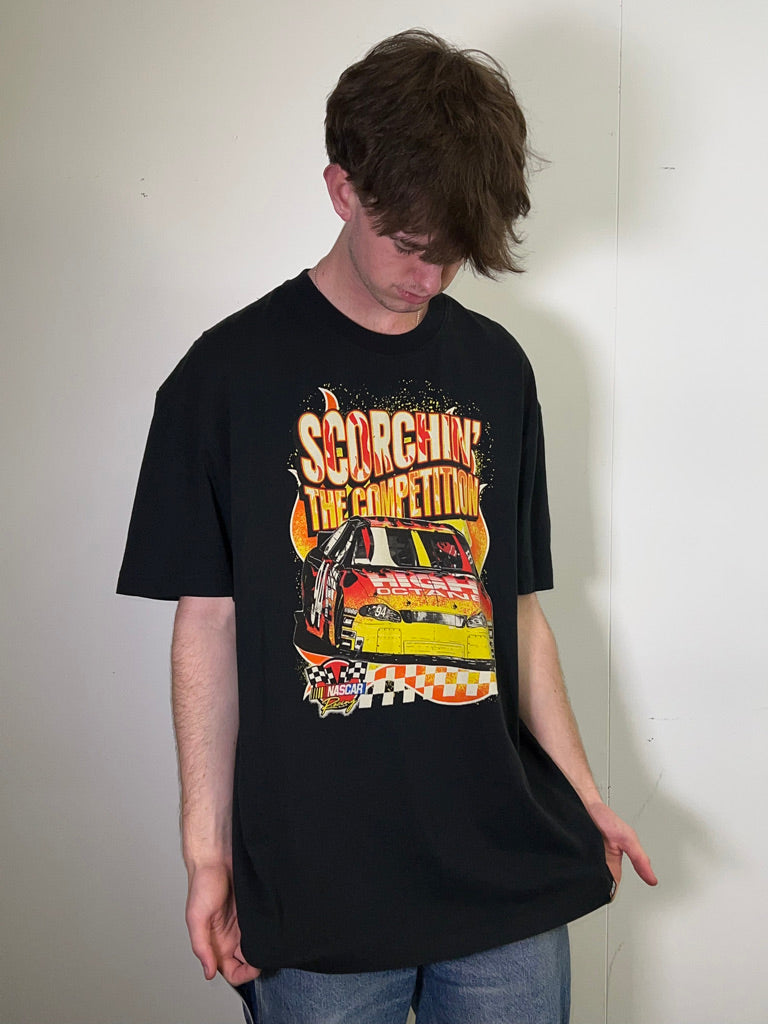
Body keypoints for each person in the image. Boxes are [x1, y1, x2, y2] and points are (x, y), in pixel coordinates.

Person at [118, 29, 656, 1024]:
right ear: (341, 189)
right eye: (410, 247)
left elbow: (515, 614)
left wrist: (584, 793)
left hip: (504, 880)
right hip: (315, 894)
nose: (429, 279)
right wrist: (207, 855)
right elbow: (209, 624)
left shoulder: (498, 370)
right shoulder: (224, 379)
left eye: (454, 256)